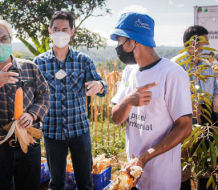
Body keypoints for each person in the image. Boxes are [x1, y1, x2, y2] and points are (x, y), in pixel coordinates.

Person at [110, 12, 192, 190]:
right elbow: (116, 118)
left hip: (162, 178)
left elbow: (185, 126)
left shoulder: (173, 74)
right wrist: (128, 101)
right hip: (133, 173)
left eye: (120, 41)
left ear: (135, 41)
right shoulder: (129, 72)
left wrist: (145, 157)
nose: (118, 47)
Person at [0, 19, 50, 190]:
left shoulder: (30, 68)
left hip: (28, 144)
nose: (1, 44)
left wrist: (32, 114)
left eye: (5, 39)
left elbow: (44, 95)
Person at [33, 11, 108, 190]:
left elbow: (101, 86)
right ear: (50, 31)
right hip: (52, 131)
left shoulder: (83, 61)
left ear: (72, 31)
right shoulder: (39, 63)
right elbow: (32, 95)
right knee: (56, 183)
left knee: (85, 183)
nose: (60, 33)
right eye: (56, 29)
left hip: (79, 131)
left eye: (65, 29)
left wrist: (100, 85)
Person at [171, 25, 218, 190]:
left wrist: (215, 98)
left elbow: (215, 87)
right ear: (193, 43)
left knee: (205, 163)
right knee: (184, 164)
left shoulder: (206, 64)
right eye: (204, 42)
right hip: (184, 119)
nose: (207, 47)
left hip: (206, 118)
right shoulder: (177, 65)